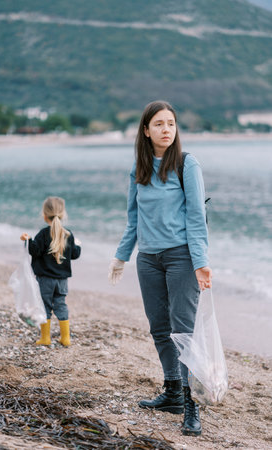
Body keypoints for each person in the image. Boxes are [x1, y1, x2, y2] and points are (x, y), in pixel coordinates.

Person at [108, 100, 212, 436]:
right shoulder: (138, 168)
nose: (166, 129)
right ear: (146, 130)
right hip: (148, 260)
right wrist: (121, 257)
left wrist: (201, 263)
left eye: (171, 123)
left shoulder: (186, 164)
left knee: (183, 332)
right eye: (159, 124)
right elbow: (133, 218)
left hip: (181, 257)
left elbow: (197, 218)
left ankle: (190, 403)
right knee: (159, 329)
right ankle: (171, 393)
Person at [20, 196, 81, 347]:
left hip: (45, 279)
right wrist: (78, 245)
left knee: (45, 306)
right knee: (61, 304)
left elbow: (34, 251)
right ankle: (66, 338)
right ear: (63, 214)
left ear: (44, 215)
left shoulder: (43, 234)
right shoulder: (68, 234)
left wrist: (28, 240)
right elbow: (75, 255)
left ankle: (45, 338)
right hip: (62, 280)